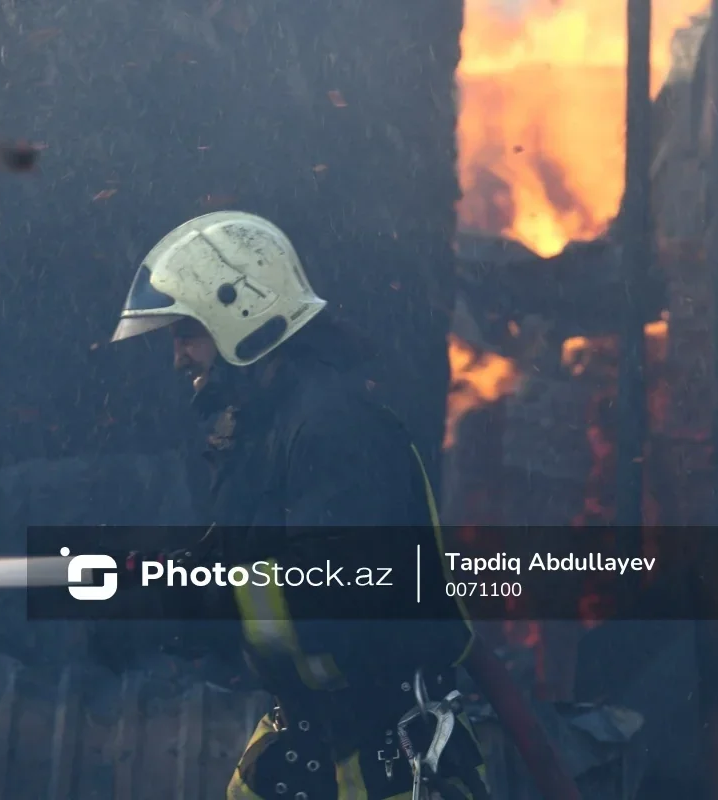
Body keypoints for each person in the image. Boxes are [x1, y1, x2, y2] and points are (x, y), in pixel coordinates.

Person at [106, 211, 489, 800]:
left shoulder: (336, 430)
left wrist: (197, 597)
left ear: (242, 313)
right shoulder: (269, 428)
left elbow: (335, 595)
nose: (179, 358)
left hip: (383, 755)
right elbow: (256, 554)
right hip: (312, 740)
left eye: (187, 333)